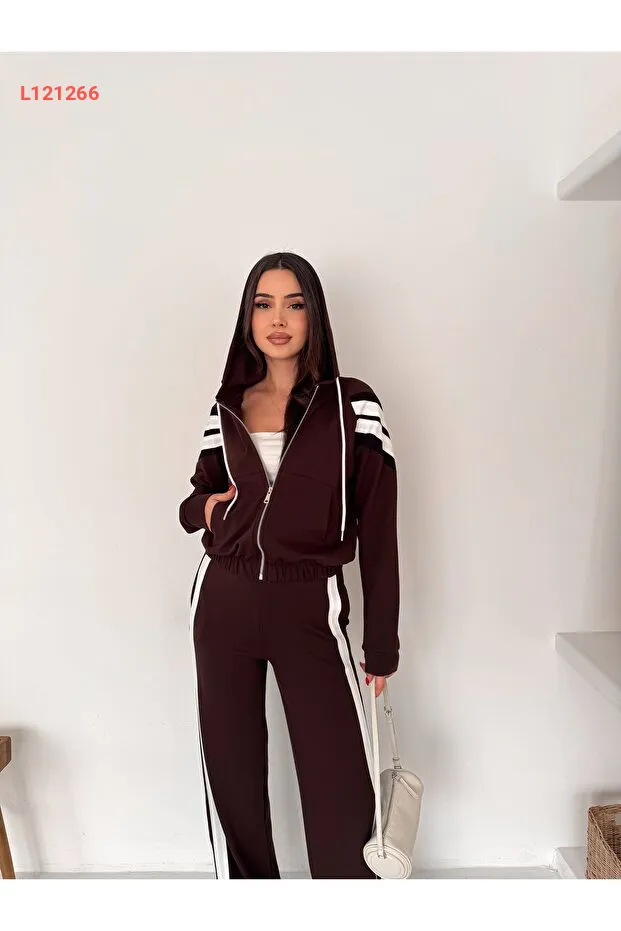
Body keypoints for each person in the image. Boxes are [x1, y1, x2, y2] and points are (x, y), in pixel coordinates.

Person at [179, 251, 400, 880]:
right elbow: (194, 502)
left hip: (309, 605)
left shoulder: (353, 405)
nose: (278, 319)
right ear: (248, 317)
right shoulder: (228, 405)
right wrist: (210, 511)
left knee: (340, 784)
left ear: (314, 316)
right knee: (232, 776)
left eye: (294, 304)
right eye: (264, 304)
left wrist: (381, 645)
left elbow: (379, 529)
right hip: (222, 603)